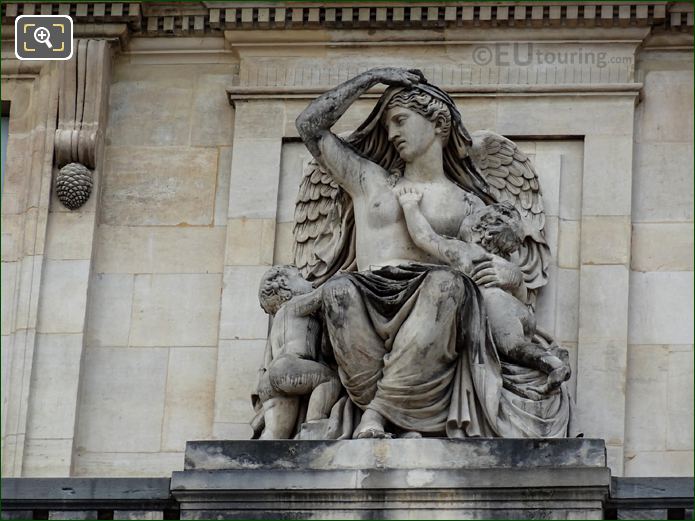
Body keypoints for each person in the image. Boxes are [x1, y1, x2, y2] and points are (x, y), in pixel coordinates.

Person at [395, 187, 570, 397]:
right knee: (517, 345)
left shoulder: (464, 251)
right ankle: (552, 362)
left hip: (495, 306)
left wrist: (409, 205)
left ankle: (553, 365)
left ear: (480, 228)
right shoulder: (501, 260)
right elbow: (522, 299)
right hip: (519, 311)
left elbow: (424, 236)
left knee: (513, 346)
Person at [255, 265, 341, 439]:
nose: (310, 282)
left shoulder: (279, 316)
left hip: (268, 380)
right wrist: (341, 278)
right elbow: (324, 293)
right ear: (284, 283)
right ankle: (315, 423)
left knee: (275, 436)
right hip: (291, 368)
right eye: (301, 277)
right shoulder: (295, 305)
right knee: (330, 379)